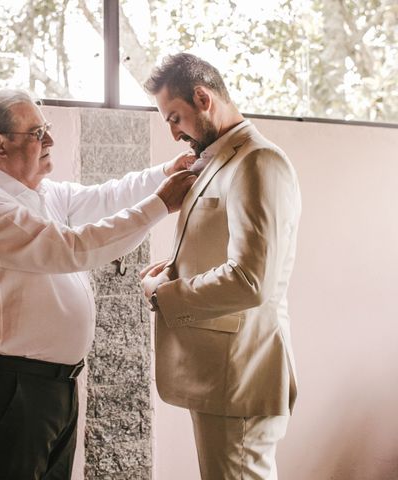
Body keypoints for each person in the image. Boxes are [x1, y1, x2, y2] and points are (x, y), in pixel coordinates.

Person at [0, 87, 196, 480]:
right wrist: (160, 204)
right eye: (36, 133)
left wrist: (165, 174)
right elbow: (73, 250)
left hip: (54, 387)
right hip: (14, 388)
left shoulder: (41, 194)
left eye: (45, 128)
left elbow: (107, 197)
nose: (50, 140)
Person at [140, 53, 301, 480]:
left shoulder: (258, 162)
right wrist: (174, 269)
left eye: (175, 117)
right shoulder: (221, 161)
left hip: (242, 378)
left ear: (202, 97)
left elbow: (251, 279)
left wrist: (165, 294)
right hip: (221, 378)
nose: (174, 133)